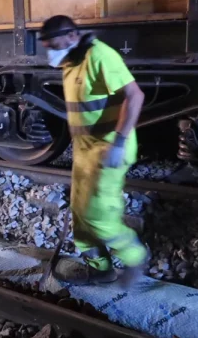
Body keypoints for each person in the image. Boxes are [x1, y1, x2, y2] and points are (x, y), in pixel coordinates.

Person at [39, 15, 148, 287]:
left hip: (108, 149)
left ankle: (135, 256)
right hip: (85, 151)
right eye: (47, 45)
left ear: (72, 36)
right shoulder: (71, 61)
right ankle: (100, 268)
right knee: (80, 213)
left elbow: (135, 95)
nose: (50, 51)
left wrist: (119, 143)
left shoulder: (100, 55)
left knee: (98, 216)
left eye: (54, 44)